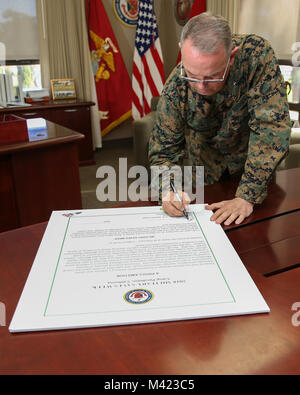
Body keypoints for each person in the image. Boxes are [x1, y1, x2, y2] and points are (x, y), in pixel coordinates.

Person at [148, 12, 292, 226]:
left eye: (212, 76)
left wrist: (247, 196)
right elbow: (163, 152)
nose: (201, 86)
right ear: (182, 49)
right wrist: (169, 190)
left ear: (231, 56)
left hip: (254, 173)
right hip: (205, 177)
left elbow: (272, 128)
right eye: (192, 76)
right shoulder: (176, 86)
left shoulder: (256, 57)